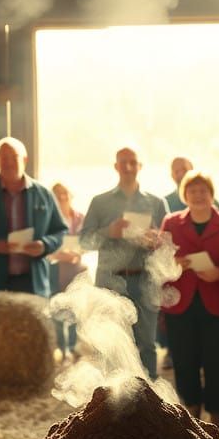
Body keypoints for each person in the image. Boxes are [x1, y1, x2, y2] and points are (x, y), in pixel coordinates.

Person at [160, 170, 219, 439]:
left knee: (216, 366)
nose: (198, 196)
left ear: (211, 194)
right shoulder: (171, 223)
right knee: (184, 364)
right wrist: (173, 264)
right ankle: (190, 424)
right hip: (181, 307)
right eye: (193, 191)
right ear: (184, 195)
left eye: (203, 191)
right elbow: (157, 262)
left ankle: (218, 426)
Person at [80, 147, 167, 378]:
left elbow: (167, 245)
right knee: (110, 344)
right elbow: (84, 241)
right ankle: (113, 400)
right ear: (115, 166)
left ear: (140, 166)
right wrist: (109, 231)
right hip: (110, 281)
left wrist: (155, 242)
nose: (128, 167)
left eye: (133, 162)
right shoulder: (99, 202)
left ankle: (151, 401)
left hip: (145, 280)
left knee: (147, 344)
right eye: (123, 163)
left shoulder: (157, 203)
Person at [0, 136, 66, 296]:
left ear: (25, 159)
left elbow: (59, 231)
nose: (8, 163)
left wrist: (44, 245)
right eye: (3, 158)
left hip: (33, 285)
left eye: (13, 157)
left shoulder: (43, 194)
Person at [49, 182, 86, 360]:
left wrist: (77, 253)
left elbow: (86, 242)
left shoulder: (80, 217)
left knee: (74, 309)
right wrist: (59, 254)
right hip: (55, 269)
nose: (62, 197)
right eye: (57, 194)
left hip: (75, 268)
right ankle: (62, 348)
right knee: (57, 308)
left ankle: (72, 346)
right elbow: (46, 246)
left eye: (65, 193)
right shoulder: (50, 218)